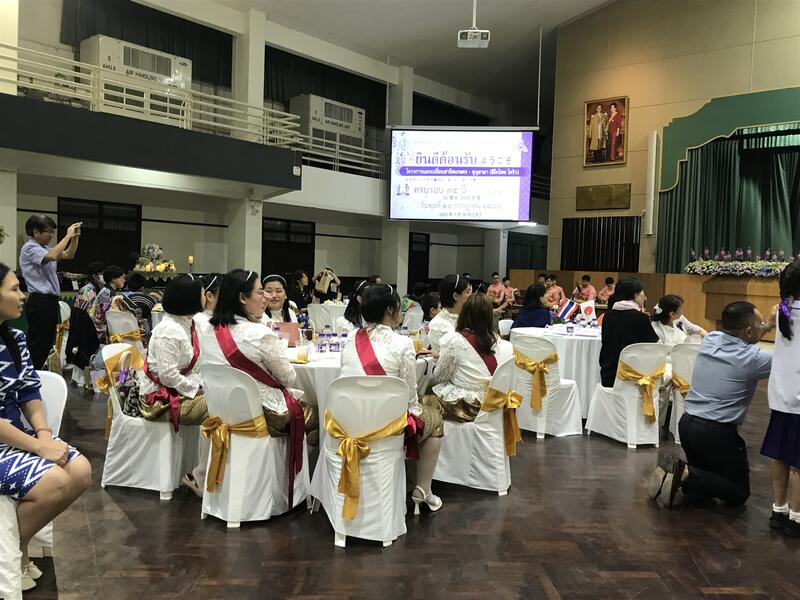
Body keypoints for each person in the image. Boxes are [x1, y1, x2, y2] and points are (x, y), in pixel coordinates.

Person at [0, 262, 91, 591]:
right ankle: (16, 554)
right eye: (14, 289)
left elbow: (28, 392)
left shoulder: (15, 338)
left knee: (79, 470)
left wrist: (43, 434)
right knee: (53, 481)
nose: (22, 296)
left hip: (16, 438)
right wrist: (38, 447)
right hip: (6, 443)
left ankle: (15, 547)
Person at [199, 270, 316, 496]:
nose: (267, 297)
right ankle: (295, 485)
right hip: (264, 413)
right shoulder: (260, 334)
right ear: (243, 298)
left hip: (221, 410)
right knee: (316, 415)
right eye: (261, 292)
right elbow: (288, 377)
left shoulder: (209, 329)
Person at [648, 301, 776, 509]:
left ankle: (680, 474)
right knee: (738, 492)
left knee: (704, 488)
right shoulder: (753, 358)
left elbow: (751, 334)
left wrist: (768, 324)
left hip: (687, 426)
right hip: (717, 434)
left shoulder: (711, 339)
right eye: (759, 325)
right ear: (748, 331)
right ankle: (685, 472)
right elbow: (789, 361)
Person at [340, 283, 444, 513]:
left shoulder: (350, 338)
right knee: (434, 418)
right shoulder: (403, 343)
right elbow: (410, 399)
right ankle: (423, 489)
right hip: (386, 427)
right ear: (390, 309)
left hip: (349, 423)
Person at [137, 275, 208, 486]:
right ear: (190, 298)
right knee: (218, 408)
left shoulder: (189, 323)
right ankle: (201, 476)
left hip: (178, 390)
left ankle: (205, 472)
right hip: (159, 399)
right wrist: (197, 388)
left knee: (222, 402)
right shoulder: (169, 330)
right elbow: (167, 376)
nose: (206, 296)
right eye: (202, 293)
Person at [761, 259, 800, 535]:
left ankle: (779, 509)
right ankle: (797, 518)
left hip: (781, 395)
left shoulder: (781, 311)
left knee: (780, 455)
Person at [432, 293, 514, 422]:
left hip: (468, 407)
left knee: (424, 402)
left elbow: (439, 378)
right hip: (496, 403)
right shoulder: (501, 343)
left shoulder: (455, 341)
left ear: (464, 313)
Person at [19, 215, 81, 369]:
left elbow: (69, 254)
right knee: (38, 344)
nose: (51, 235)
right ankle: (30, 375)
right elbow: (52, 256)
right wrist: (67, 235)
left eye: (53, 232)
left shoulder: (45, 249)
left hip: (49, 301)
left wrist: (75, 237)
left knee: (46, 343)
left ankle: (35, 373)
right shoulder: (30, 248)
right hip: (40, 301)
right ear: (35, 232)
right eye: (48, 232)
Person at [599, 278, 659, 388]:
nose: (645, 297)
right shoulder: (641, 318)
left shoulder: (607, 316)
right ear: (634, 295)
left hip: (608, 375)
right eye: (642, 292)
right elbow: (652, 347)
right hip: (633, 378)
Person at [428, 274, 472, 352]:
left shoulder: (469, 317)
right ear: (456, 296)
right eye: (468, 292)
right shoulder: (438, 325)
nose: (471, 296)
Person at [91, 265, 127, 344]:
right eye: (122, 277)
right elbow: (106, 315)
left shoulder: (108, 291)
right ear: (113, 279)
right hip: (101, 334)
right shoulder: (106, 292)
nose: (124, 280)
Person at [125, 272, 158, 343]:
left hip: (123, 334)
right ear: (142, 287)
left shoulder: (120, 298)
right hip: (143, 335)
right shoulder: (148, 300)